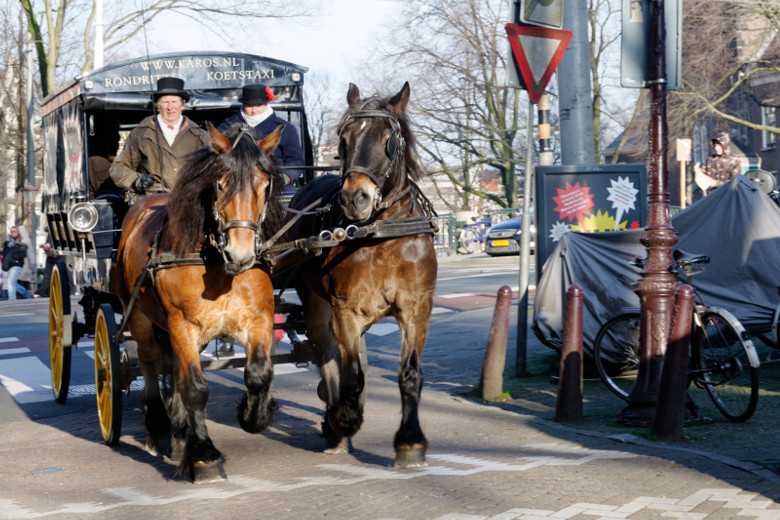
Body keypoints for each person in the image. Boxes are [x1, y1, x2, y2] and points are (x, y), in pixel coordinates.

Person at [109, 77, 210, 203]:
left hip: (190, 201)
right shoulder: (139, 134)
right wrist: (136, 180)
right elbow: (118, 168)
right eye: (165, 102)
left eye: (174, 102)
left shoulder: (202, 137)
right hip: (151, 201)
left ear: (183, 104)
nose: (170, 107)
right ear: (157, 106)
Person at [218, 84, 304, 201]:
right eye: (249, 106)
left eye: (258, 105)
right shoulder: (226, 127)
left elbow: (296, 161)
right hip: (237, 191)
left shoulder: (286, 129)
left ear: (266, 104)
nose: (254, 110)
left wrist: (284, 177)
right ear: (243, 105)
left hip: (277, 191)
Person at [2, 226, 31, 300]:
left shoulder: (22, 243)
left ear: (18, 233)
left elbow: (23, 255)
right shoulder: (7, 243)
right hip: (8, 265)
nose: (12, 233)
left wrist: (14, 258)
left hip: (17, 264)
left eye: (14, 231)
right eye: (11, 231)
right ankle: (26, 293)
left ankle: (12, 299)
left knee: (10, 281)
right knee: (12, 283)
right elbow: (4, 253)